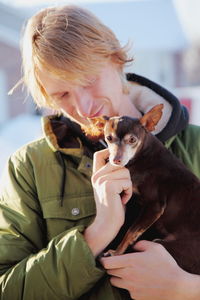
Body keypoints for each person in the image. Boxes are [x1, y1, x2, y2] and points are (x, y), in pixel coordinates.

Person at [0, 4, 200, 300]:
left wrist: (186, 288)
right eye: (62, 94)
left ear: (116, 59)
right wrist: (96, 234)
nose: (84, 108)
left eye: (88, 80)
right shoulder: (30, 167)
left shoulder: (195, 147)